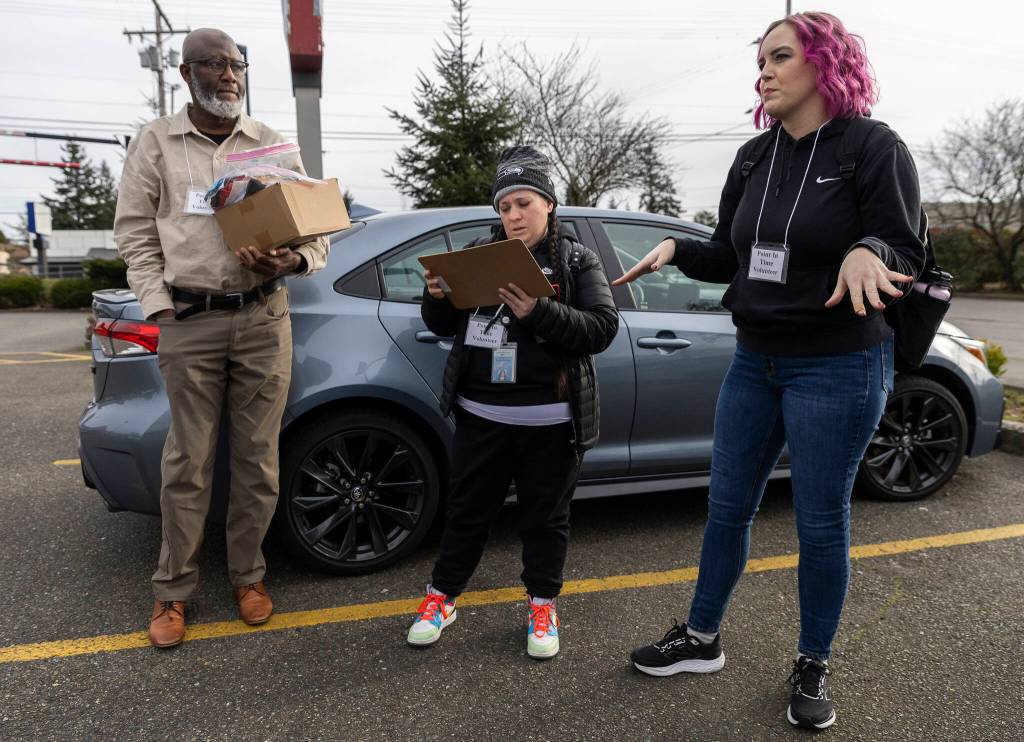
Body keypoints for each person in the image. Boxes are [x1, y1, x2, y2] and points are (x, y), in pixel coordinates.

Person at [616, 13, 926, 729]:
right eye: (760, 60)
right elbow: (728, 252)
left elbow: (903, 245)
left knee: (820, 524)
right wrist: (675, 248)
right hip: (756, 360)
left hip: (839, 366)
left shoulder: (871, 146)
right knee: (727, 506)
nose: (765, 70)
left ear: (824, 62)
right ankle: (700, 637)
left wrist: (868, 250)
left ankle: (813, 660)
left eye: (780, 56)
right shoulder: (755, 157)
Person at [114, 28, 330, 649]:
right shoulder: (156, 142)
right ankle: (173, 590)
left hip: (264, 318)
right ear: (186, 74)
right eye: (213, 64)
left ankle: (248, 577)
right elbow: (135, 235)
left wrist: (293, 264)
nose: (228, 75)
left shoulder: (271, 145)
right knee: (188, 461)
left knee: (258, 461)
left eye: (235, 64)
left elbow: (315, 229)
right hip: (190, 320)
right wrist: (160, 310)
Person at [407, 146, 618, 659]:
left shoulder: (575, 259)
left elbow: (602, 328)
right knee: (466, 513)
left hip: (551, 423)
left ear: (548, 204)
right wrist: (436, 297)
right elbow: (444, 327)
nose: (514, 216)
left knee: (545, 518)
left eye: (523, 203)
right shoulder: (481, 253)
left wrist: (539, 312)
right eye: (505, 207)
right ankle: (442, 597)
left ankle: (542, 603)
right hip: (481, 417)